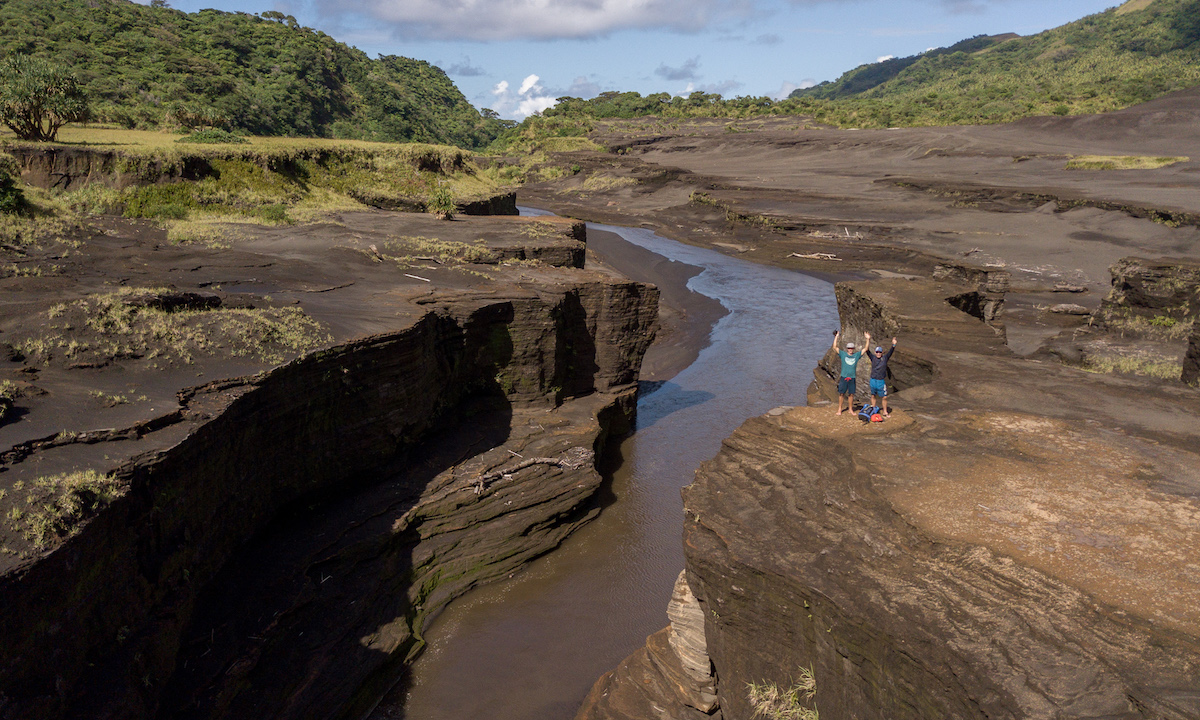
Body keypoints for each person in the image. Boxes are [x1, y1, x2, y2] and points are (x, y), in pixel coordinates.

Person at [832, 330, 864, 416]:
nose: (850, 349)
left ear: (853, 349)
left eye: (852, 348)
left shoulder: (856, 355)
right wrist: (837, 336)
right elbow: (834, 347)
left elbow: (865, 349)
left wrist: (868, 339)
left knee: (851, 394)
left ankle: (850, 409)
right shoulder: (843, 354)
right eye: (849, 348)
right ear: (847, 349)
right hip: (843, 377)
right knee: (841, 393)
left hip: (852, 377)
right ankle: (839, 409)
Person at [869, 336, 898, 417]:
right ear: (875, 352)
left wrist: (893, 345)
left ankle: (885, 412)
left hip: (880, 381)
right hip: (873, 380)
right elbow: (867, 351)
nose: (878, 353)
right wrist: (867, 339)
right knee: (873, 395)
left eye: (880, 352)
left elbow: (890, 352)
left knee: (884, 397)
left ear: (882, 353)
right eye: (877, 352)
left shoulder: (884, 358)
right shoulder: (873, 358)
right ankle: (873, 409)